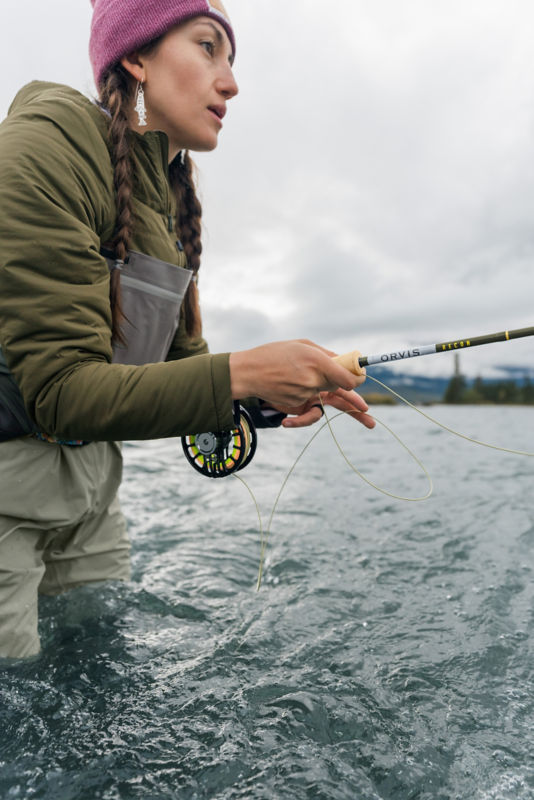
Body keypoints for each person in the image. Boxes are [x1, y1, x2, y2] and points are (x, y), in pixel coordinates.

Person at [0, 0, 374, 658]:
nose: (230, 81)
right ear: (136, 56)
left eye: (231, 59)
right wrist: (245, 372)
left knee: (100, 693)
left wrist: (268, 392)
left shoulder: (167, 201)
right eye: (208, 48)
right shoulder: (46, 144)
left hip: (92, 496)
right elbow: (58, 392)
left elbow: (183, 368)